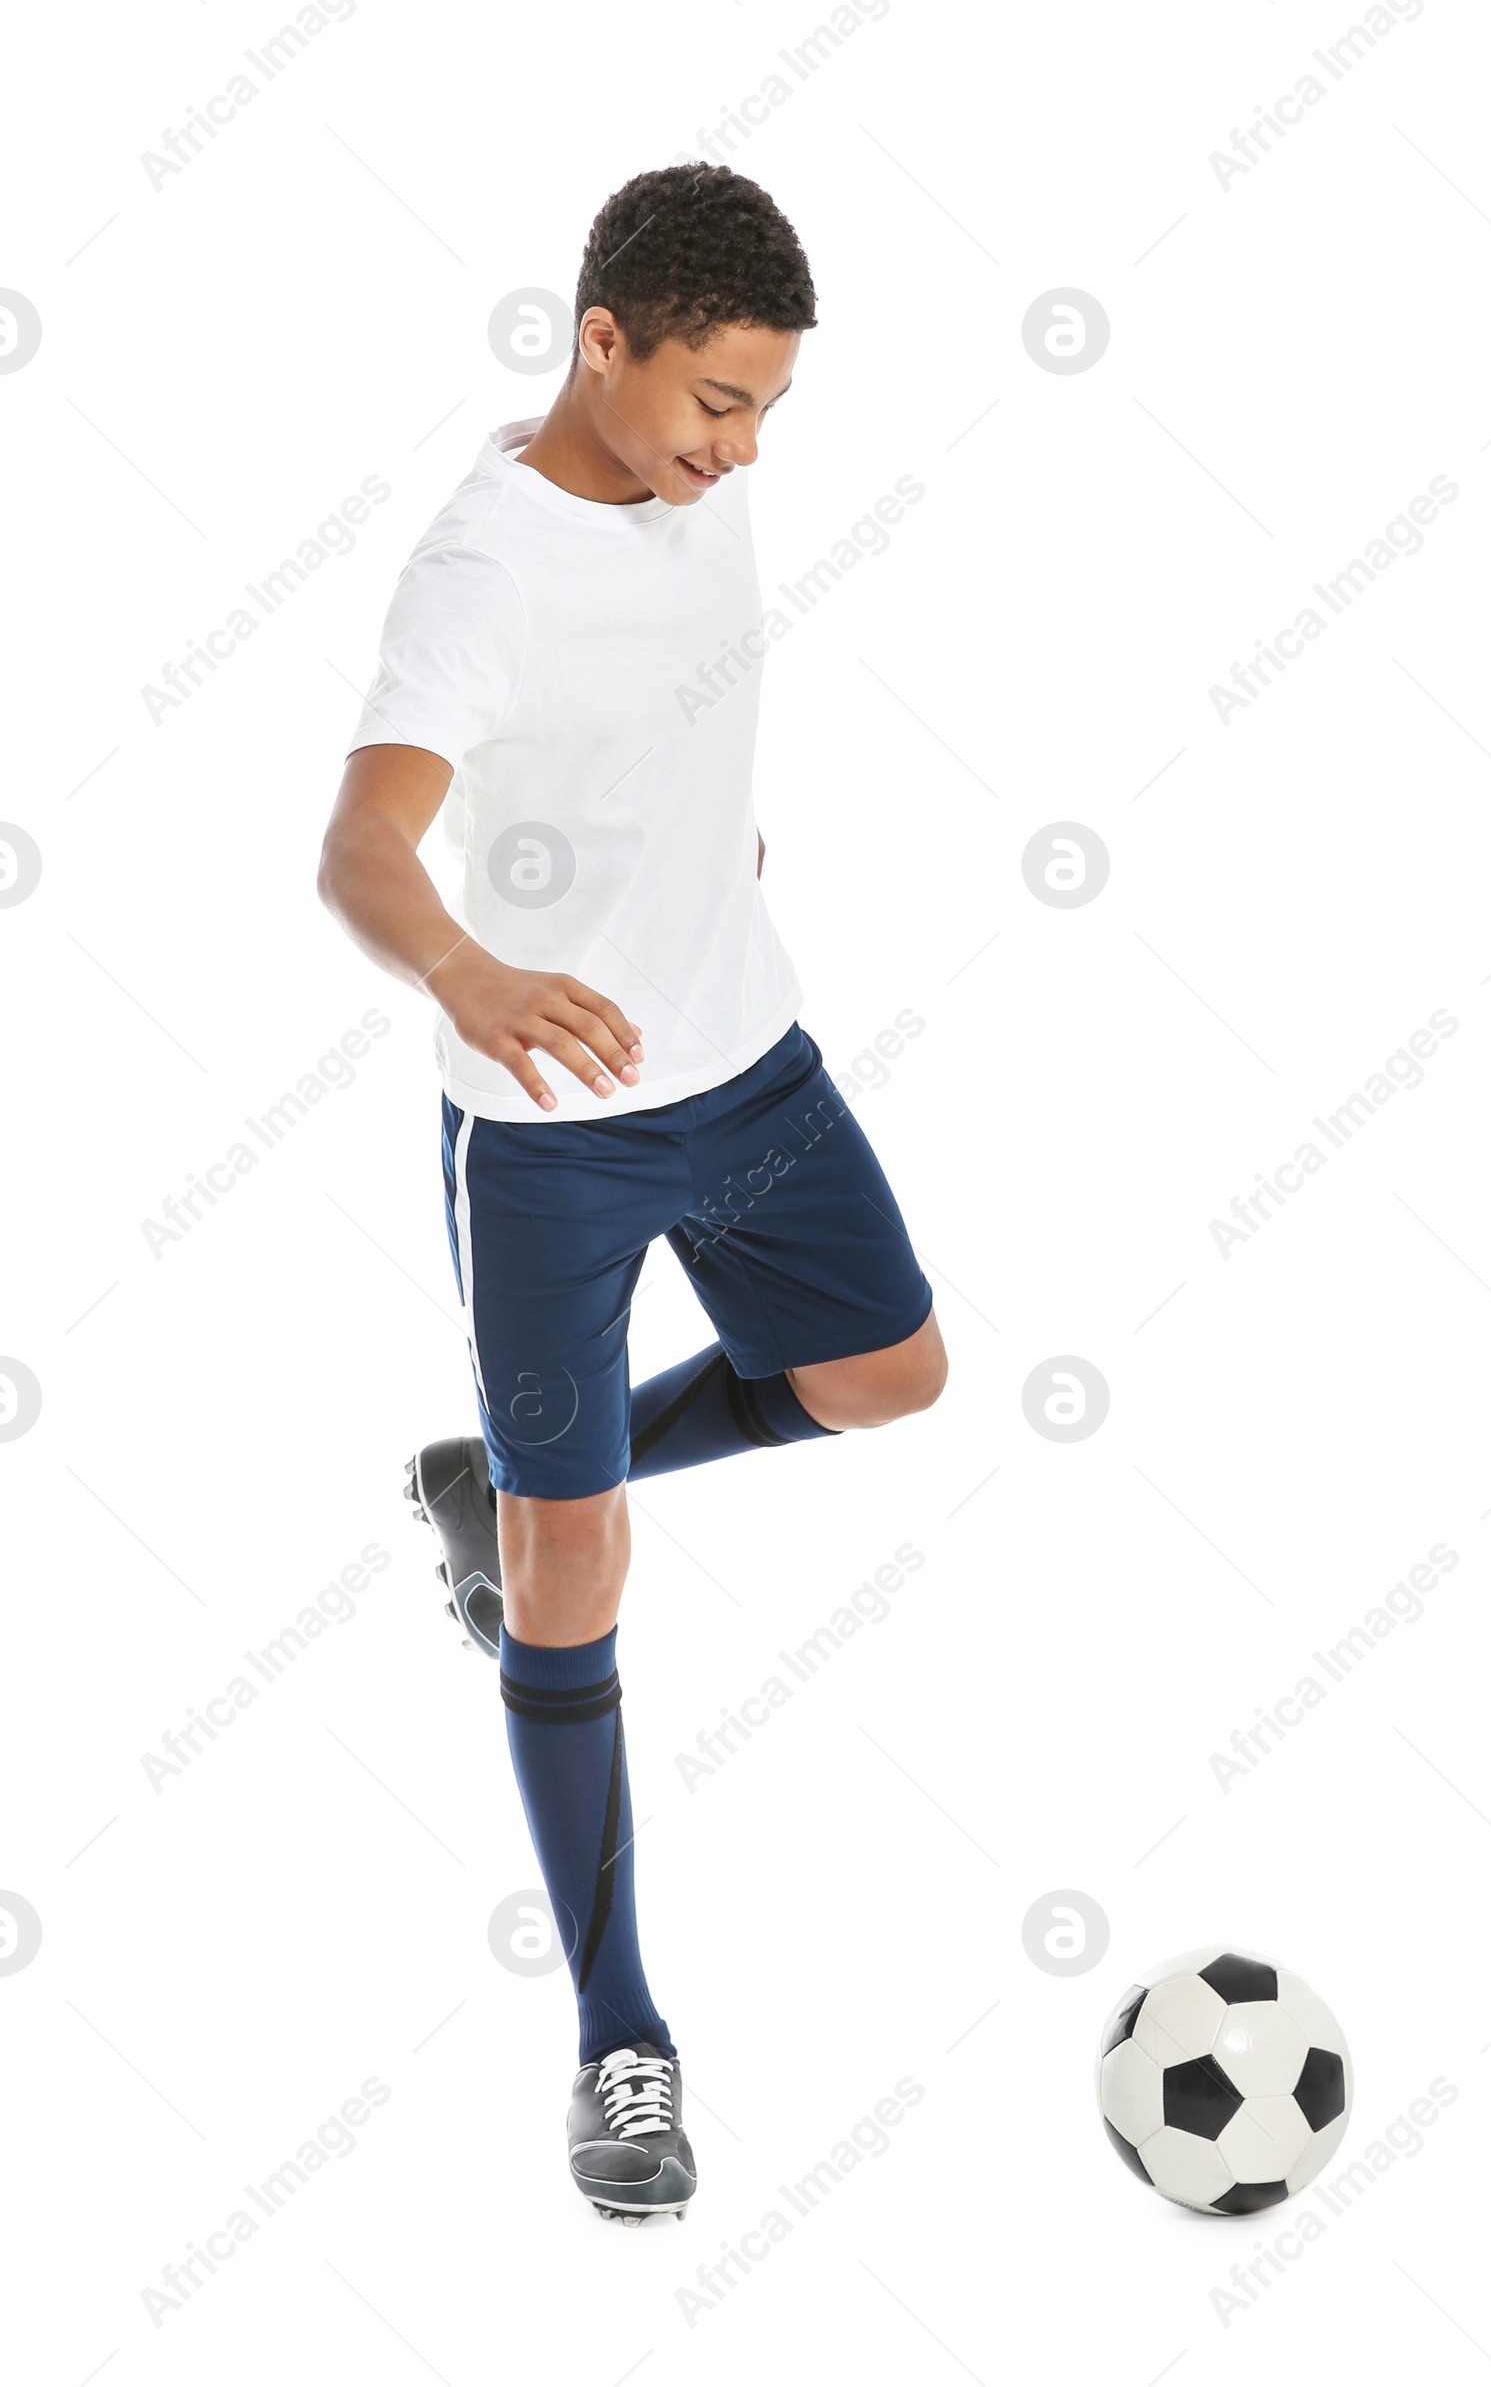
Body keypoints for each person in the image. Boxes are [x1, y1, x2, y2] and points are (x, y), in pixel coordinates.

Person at [317, 163, 946, 2224]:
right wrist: (477, 972)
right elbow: (363, 854)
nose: (741, 450)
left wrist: (693, 849)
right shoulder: (480, 569)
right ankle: (620, 2032)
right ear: (603, 338)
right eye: (717, 402)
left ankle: (499, 1489)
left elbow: (656, 715)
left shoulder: (694, 482)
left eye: (766, 410)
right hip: (554, 1137)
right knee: (575, 1593)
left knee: (882, 1375)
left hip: (746, 1063)